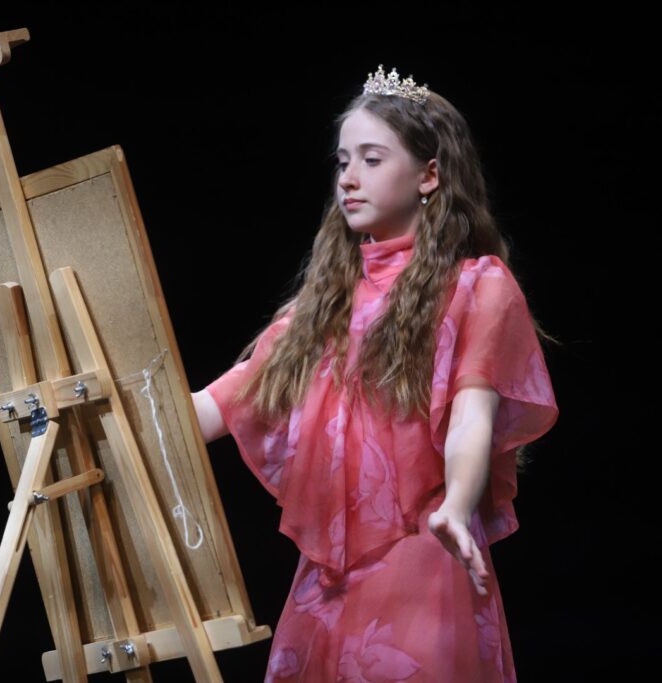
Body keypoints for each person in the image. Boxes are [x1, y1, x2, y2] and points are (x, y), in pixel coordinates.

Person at [191, 65, 559, 682]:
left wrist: (457, 505)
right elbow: (217, 406)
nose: (349, 178)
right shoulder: (324, 307)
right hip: (330, 576)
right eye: (342, 162)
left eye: (371, 158)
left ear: (429, 175)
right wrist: (103, 404)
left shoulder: (476, 288)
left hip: (422, 549)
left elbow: (471, 414)